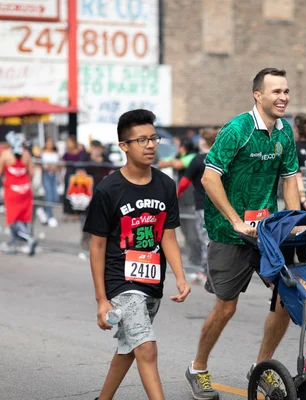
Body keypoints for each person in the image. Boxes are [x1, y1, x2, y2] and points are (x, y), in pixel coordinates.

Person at [185, 67, 301, 400]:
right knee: (226, 308)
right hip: (229, 232)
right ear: (258, 95)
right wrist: (235, 220)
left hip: (267, 232)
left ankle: (261, 367)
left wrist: (293, 221)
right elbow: (209, 178)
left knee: (286, 301)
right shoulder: (237, 130)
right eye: (276, 91)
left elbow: (290, 177)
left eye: (286, 91)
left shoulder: (284, 132)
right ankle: (198, 368)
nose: (283, 97)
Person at [83, 109, 191, 400]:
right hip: (120, 281)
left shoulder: (166, 185)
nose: (150, 145)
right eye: (141, 140)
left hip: (152, 280)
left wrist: (180, 277)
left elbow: (167, 235)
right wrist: (102, 299)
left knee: (131, 346)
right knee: (146, 347)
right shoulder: (108, 189)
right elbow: (98, 245)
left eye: (153, 138)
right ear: (124, 146)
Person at [176, 128, 219, 283]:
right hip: (221, 205)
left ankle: (207, 271)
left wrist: (176, 195)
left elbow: (184, 182)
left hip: (202, 206)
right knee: (217, 239)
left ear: (202, 142)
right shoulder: (220, 157)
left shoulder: (198, 159)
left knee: (204, 240)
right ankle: (216, 270)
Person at [158, 137, 203, 267]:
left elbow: (178, 164)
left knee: (193, 234)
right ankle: (192, 260)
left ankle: (198, 261)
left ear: (183, 147)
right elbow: (162, 163)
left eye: (178, 145)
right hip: (181, 201)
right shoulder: (178, 156)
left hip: (190, 200)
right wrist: (172, 161)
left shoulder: (193, 157)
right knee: (185, 232)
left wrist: (172, 161)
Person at [0, 132, 37, 255]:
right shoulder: (26, 154)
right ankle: (14, 243)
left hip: (12, 190)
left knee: (13, 218)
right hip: (25, 190)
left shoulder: (5, 154)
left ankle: (28, 238)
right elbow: (31, 173)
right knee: (22, 217)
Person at [39, 136, 61, 228]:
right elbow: (43, 166)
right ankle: (50, 216)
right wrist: (50, 167)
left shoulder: (56, 153)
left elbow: (59, 166)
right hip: (46, 175)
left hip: (54, 175)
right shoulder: (43, 153)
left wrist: (54, 167)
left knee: (55, 196)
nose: (50, 144)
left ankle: (43, 210)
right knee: (49, 195)